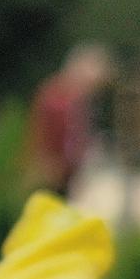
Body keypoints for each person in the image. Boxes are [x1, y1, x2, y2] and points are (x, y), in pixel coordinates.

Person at [28, 44, 113, 195]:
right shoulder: (60, 98)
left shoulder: (69, 96)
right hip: (55, 170)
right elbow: (59, 138)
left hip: (62, 168)